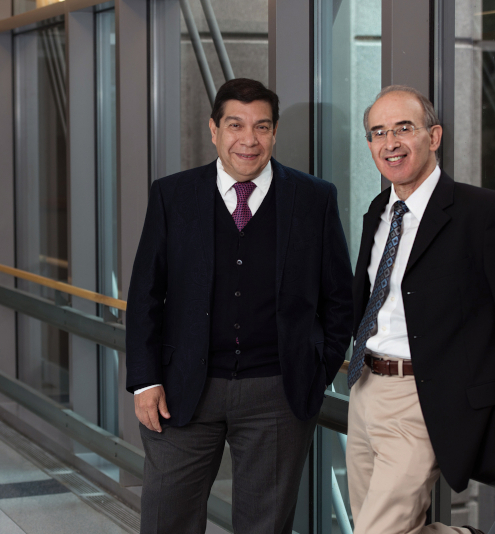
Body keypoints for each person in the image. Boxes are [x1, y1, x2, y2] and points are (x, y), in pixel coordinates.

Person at [126, 78, 353, 534]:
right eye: (235, 125)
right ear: (213, 130)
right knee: (165, 518)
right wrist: (145, 379)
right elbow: (146, 293)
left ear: (274, 132)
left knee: (264, 527)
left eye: (261, 127)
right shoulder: (173, 195)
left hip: (277, 393)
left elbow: (339, 297)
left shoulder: (313, 199)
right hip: (182, 387)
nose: (248, 140)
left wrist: (314, 370)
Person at [346, 85, 495, 534]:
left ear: (434, 136)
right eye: (378, 132)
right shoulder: (378, 212)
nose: (390, 143)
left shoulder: (483, 213)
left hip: (422, 397)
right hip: (364, 390)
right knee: (374, 524)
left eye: (404, 128)